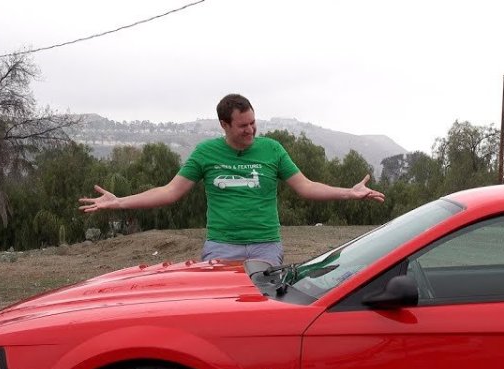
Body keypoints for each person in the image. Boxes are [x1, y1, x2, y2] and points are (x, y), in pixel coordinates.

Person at [78, 93, 385, 263]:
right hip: (221, 246)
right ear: (224, 125)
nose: (251, 130)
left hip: (265, 246)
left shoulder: (272, 149)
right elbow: (170, 192)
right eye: (243, 126)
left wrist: (349, 192)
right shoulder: (205, 152)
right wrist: (120, 202)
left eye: (253, 123)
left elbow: (305, 187)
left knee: (261, 314)